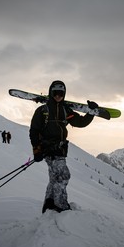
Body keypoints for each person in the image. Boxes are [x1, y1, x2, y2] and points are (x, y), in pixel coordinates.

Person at [29, 80, 98, 213]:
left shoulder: (65, 110)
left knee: (54, 177)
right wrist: (36, 150)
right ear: (51, 92)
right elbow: (34, 131)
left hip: (60, 149)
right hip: (48, 149)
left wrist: (90, 113)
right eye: (56, 93)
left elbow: (80, 122)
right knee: (63, 175)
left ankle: (49, 203)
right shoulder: (43, 110)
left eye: (61, 93)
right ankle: (61, 205)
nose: (58, 96)